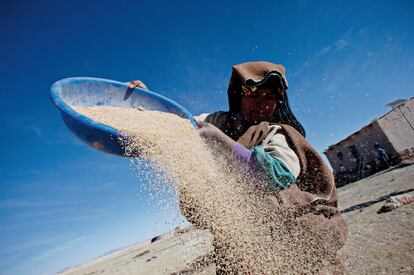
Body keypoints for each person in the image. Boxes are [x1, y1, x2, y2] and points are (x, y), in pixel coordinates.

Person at [129, 61, 348, 273]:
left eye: (270, 97)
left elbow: (276, 176)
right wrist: (148, 100)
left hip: (286, 235)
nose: (261, 103)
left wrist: (223, 142)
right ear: (239, 94)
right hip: (238, 239)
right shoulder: (218, 121)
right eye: (253, 94)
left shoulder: (277, 134)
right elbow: (179, 123)